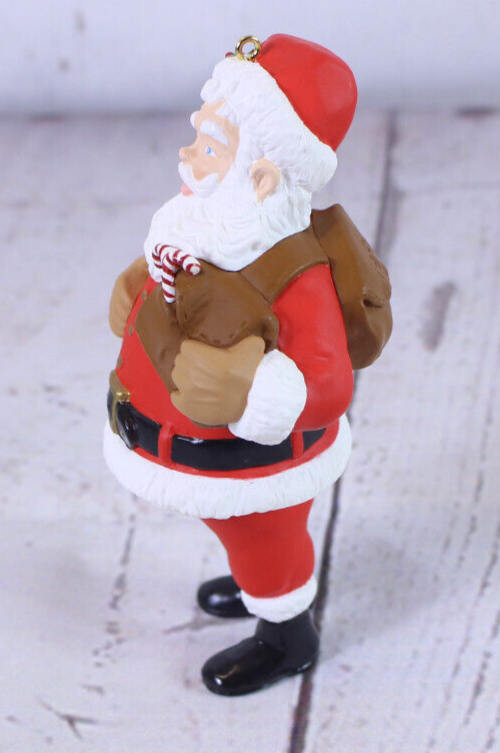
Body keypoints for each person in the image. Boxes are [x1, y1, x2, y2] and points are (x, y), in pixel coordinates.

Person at [104, 33, 391, 696]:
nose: (188, 155)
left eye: (211, 147)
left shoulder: (293, 272)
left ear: (261, 176)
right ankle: (253, 577)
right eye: (197, 136)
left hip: (255, 466)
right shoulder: (204, 225)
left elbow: (328, 383)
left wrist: (256, 390)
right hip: (193, 456)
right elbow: (179, 278)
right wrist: (136, 287)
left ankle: (287, 634)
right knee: (239, 532)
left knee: (267, 537)